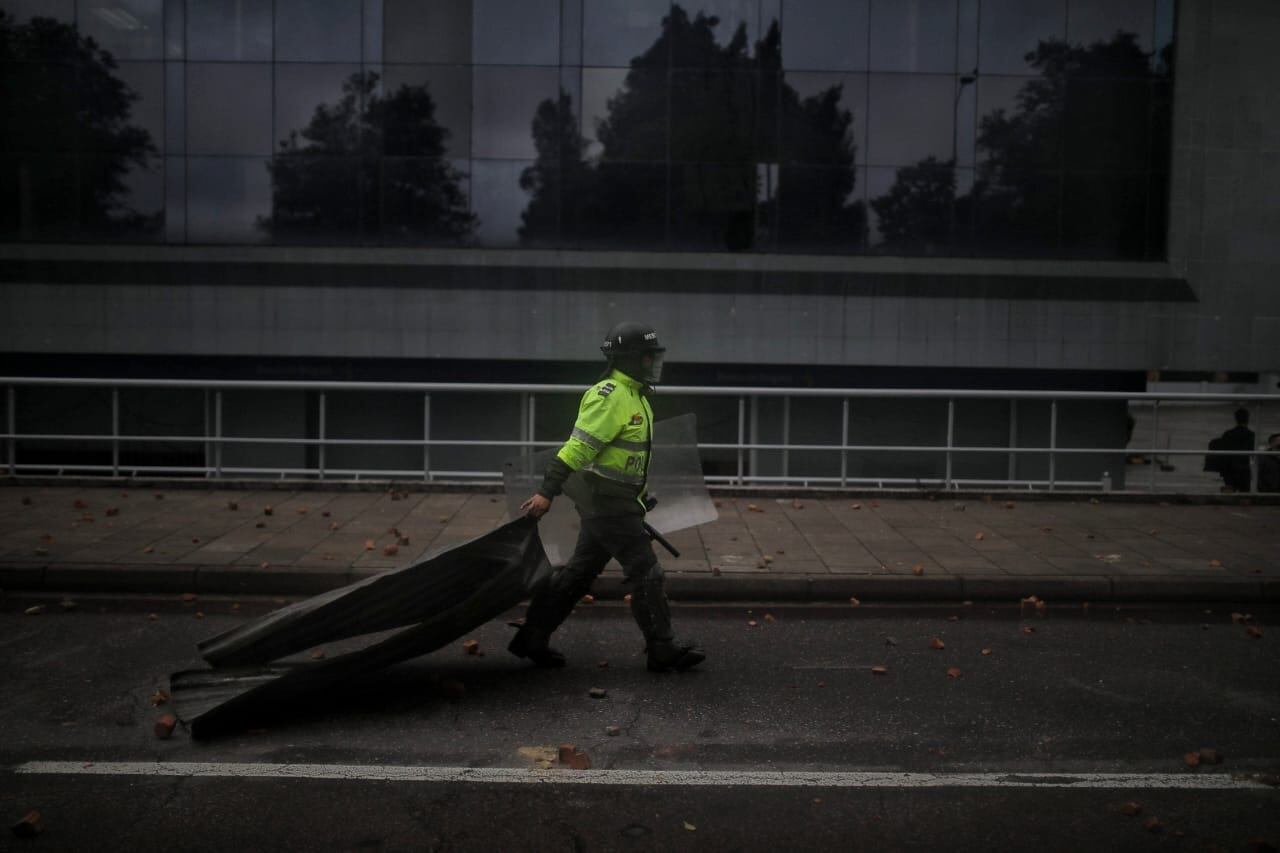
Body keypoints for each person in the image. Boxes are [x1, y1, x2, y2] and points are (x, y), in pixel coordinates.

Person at [508, 321, 705, 673]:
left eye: (654, 355)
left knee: (577, 575)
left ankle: (531, 637)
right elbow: (576, 450)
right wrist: (547, 492)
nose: (652, 362)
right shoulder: (609, 396)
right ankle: (662, 648)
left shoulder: (636, 395)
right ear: (628, 358)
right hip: (608, 506)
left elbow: (624, 458)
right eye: (646, 356)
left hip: (616, 503)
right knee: (646, 572)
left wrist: (640, 498)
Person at [1204, 407, 1255, 492]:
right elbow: (1252, 452)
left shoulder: (1228, 433)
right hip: (1243, 467)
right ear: (1247, 419)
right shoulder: (1251, 435)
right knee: (1244, 492)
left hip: (1229, 467)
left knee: (1229, 491)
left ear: (1236, 419)